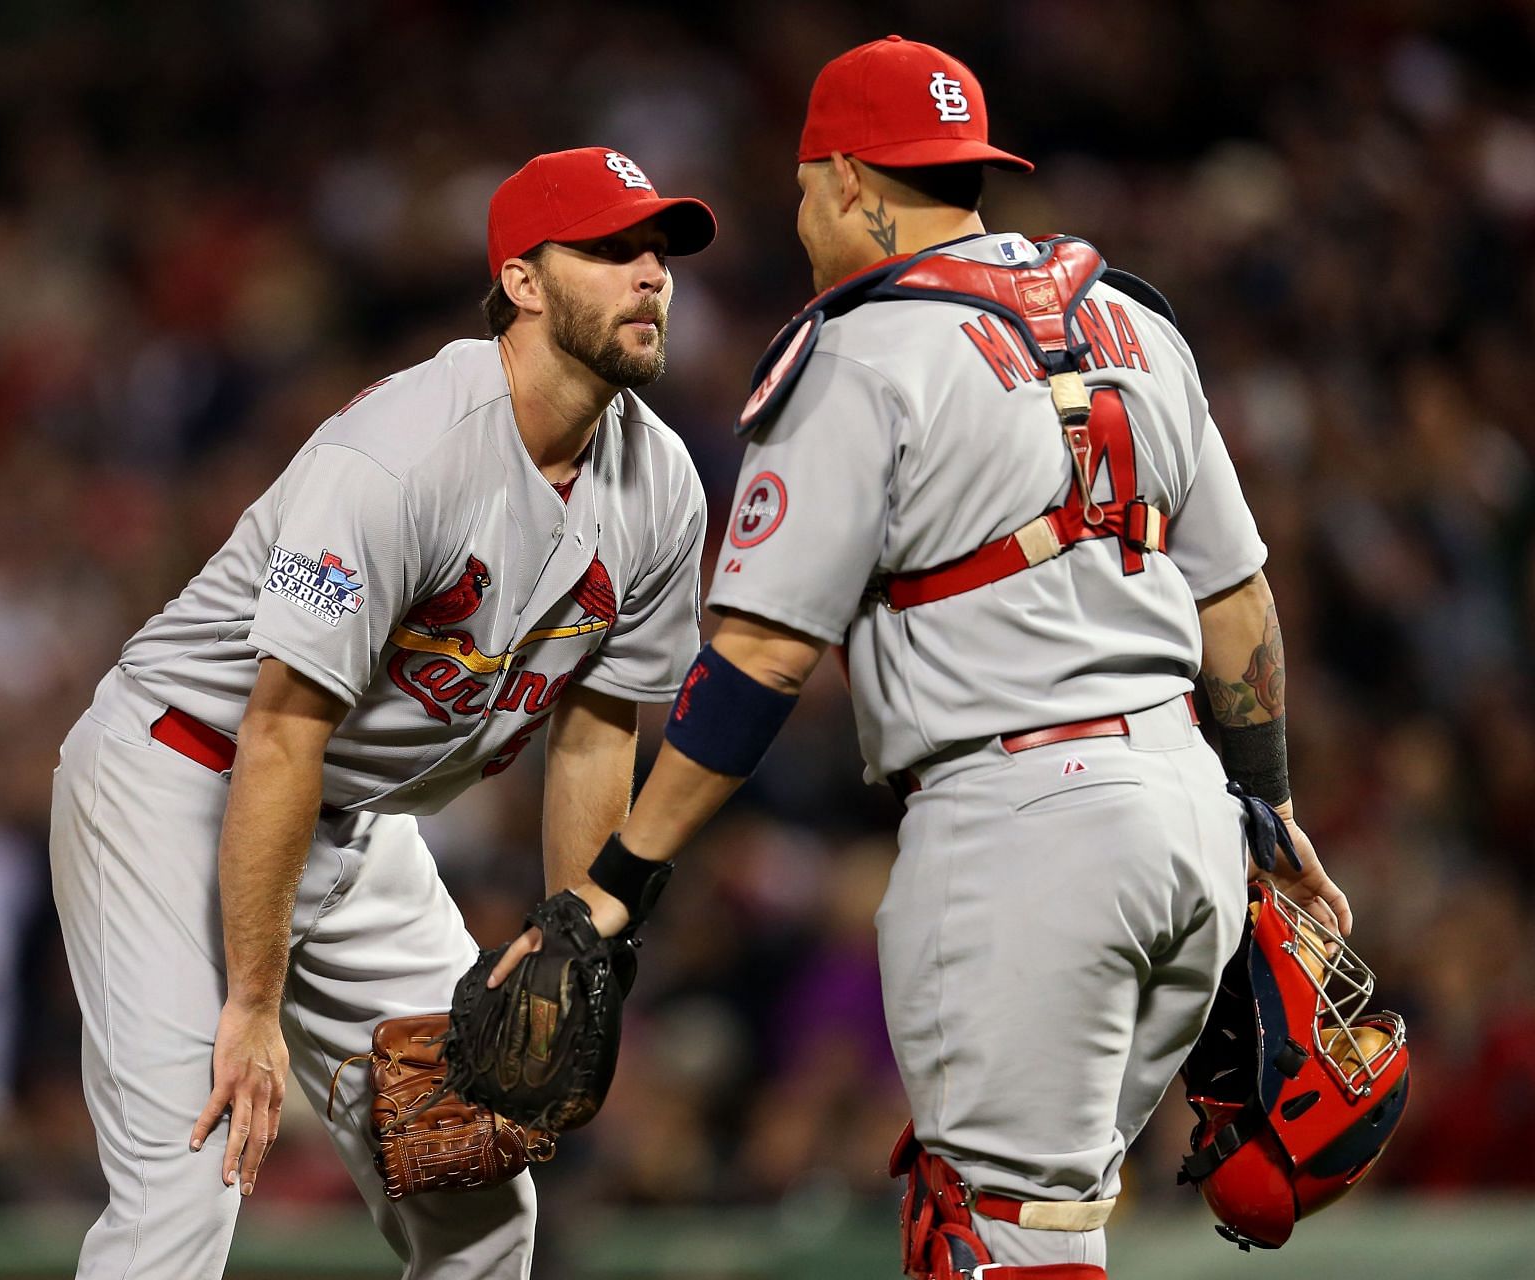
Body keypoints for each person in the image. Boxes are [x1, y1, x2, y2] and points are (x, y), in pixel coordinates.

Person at [493, 36, 1353, 1279]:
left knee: (994, 1245)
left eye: (800, 191)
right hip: (1192, 832)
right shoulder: (1135, 322)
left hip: (1024, 829)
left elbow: (756, 665)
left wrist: (619, 879)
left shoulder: (858, 350)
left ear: (848, 179)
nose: (798, 220)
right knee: (1035, 1223)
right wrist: (1267, 804)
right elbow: (1237, 602)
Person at [49, 146, 714, 1279]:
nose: (650, 273)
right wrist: (252, 1002)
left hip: (347, 817)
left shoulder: (661, 487)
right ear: (524, 282)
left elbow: (598, 726)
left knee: (479, 1187)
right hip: (179, 775)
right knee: (188, 1177)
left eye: (659, 251)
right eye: (610, 249)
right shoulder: (403, 453)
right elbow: (280, 728)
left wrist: (571, 937)